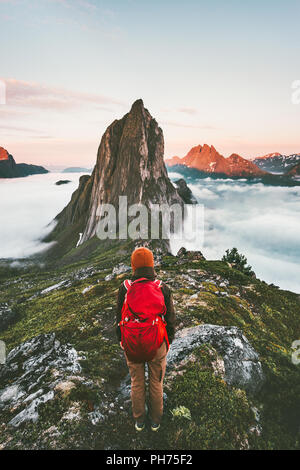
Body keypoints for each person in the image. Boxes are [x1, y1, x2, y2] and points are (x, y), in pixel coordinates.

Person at [116, 247, 176, 432]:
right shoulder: (161, 287)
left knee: (137, 382)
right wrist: (168, 341)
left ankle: (139, 421)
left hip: (132, 342)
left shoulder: (125, 288)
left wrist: (121, 340)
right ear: (151, 265)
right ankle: (156, 422)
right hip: (156, 342)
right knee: (156, 382)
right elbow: (171, 320)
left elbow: (118, 317)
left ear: (133, 266)